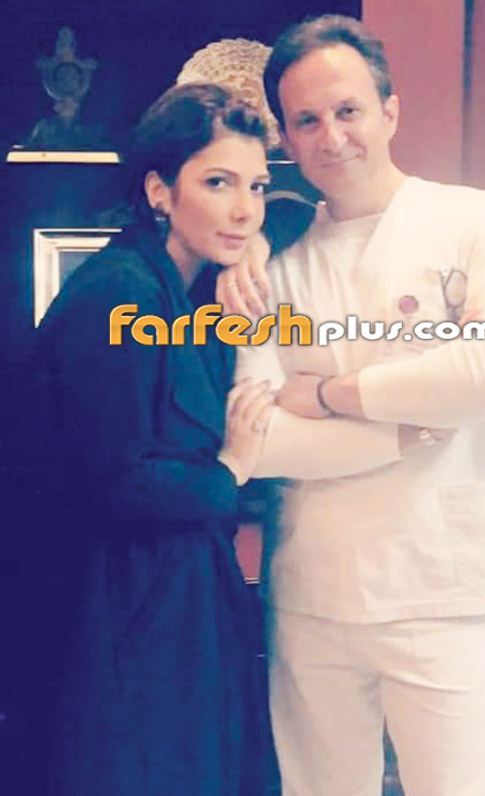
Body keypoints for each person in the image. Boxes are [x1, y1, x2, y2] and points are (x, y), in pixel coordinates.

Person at [219, 14, 485, 796]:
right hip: (315, 590)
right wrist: (414, 423)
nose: (332, 137)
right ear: (285, 138)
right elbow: (258, 433)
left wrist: (332, 394)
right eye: (307, 120)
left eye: (348, 111)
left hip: (446, 586)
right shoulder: (272, 267)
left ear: (390, 111)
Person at [13, 82, 275, 796]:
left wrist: (255, 249)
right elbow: (117, 480)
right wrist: (231, 468)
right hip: (119, 616)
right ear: (160, 190)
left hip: (165, 602)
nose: (244, 208)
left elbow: (290, 226)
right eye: (217, 183)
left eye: (255, 185)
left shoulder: (181, 290)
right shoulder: (120, 293)